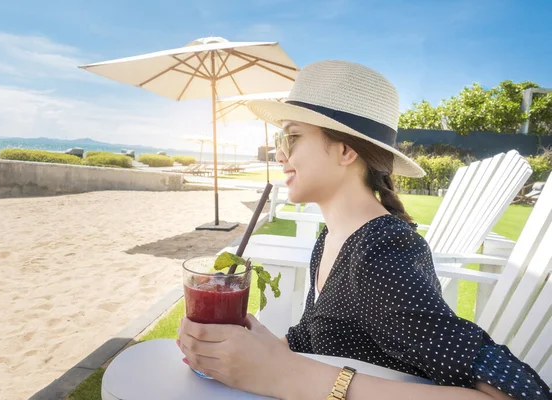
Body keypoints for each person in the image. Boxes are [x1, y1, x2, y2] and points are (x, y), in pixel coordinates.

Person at [177, 60, 551, 400]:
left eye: (291, 136)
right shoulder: (331, 240)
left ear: (345, 151)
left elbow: (522, 394)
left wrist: (286, 375)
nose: (279, 153)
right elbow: (315, 336)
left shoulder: (379, 255)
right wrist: (246, 354)